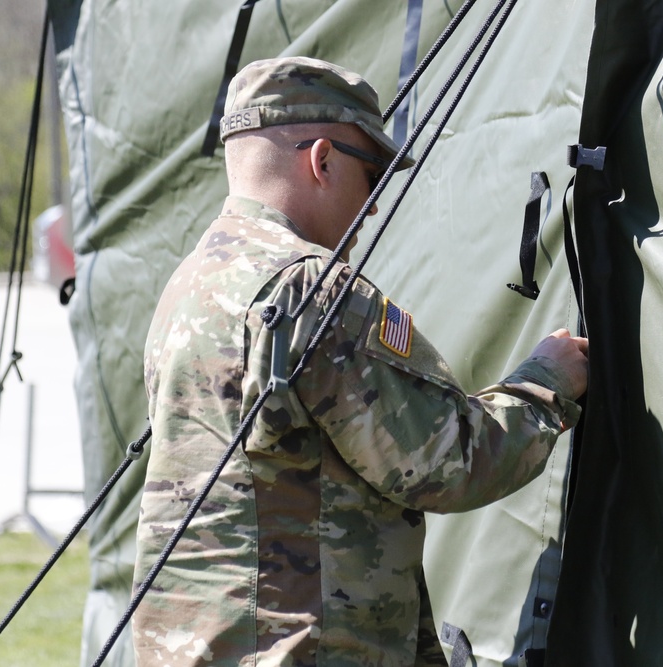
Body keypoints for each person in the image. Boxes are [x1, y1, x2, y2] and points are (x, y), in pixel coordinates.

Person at [132, 56, 589, 666]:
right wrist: (547, 381)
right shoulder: (310, 292)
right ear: (322, 160)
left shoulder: (190, 285)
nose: (373, 208)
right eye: (371, 177)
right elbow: (448, 460)